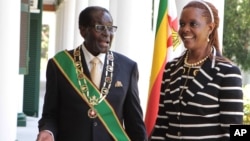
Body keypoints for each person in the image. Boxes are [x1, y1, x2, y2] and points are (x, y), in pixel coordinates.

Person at [36, 6, 147, 141]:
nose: (107, 33)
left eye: (111, 28)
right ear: (83, 30)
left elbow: (134, 122)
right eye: (100, 28)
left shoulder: (127, 67)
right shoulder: (59, 65)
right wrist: (48, 131)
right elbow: (50, 114)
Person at [149, 1, 243, 141]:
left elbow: (235, 129)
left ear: (210, 28)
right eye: (182, 24)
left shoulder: (227, 71)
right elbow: (162, 123)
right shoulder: (171, 68)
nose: (185, 29)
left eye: (193, 24)